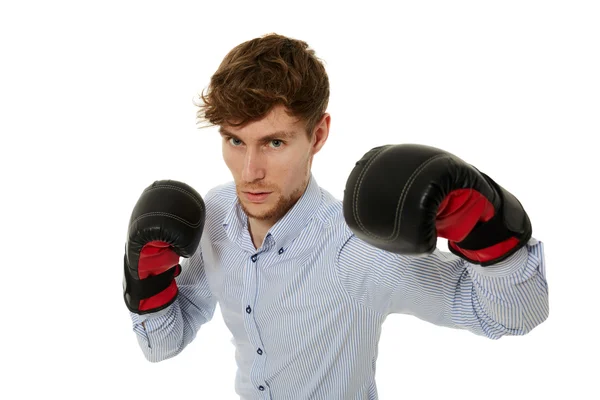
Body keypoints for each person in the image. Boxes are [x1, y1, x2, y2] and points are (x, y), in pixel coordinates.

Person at [122, 33, 549, 399]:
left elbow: (511, 315)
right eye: (235, 140)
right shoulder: (215, 214)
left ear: (318, 135)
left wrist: (483, 228)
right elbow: (163, 344)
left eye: (274, 143)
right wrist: (148, 282)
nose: (249, 171)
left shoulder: (356, 249)